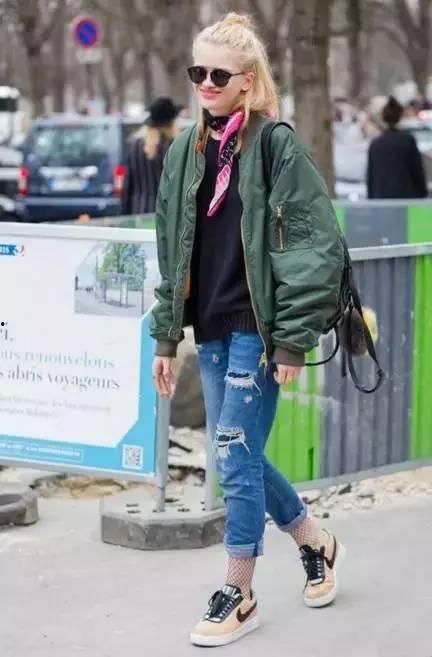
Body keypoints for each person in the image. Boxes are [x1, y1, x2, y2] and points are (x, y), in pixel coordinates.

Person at [151, 13, 346, 647]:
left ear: (247, 80)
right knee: (236, 453)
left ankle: (240, 590)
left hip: (257, 331)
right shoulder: (186, 150)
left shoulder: (275, 145)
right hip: (209, 326)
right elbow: (171, 248)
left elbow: (313, 247)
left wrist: (291, 339)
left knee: (231, 452)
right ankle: (314, 540)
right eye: (197, 72)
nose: (206, 84)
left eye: (219, 75)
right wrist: (165, 336)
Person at [122, 97, 182, 215]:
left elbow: (127, 185)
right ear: (171, 123)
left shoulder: (135, 145)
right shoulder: (174, 146)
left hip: (139, 211)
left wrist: (125, 213)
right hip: (166, 213)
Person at [367, 95, 428, 199]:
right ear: (400, 116)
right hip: (406, 200)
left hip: (381, 200)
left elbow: (371, 178)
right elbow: (417, 172)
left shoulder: (376, 144)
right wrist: (422, 194)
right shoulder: (407, 141)